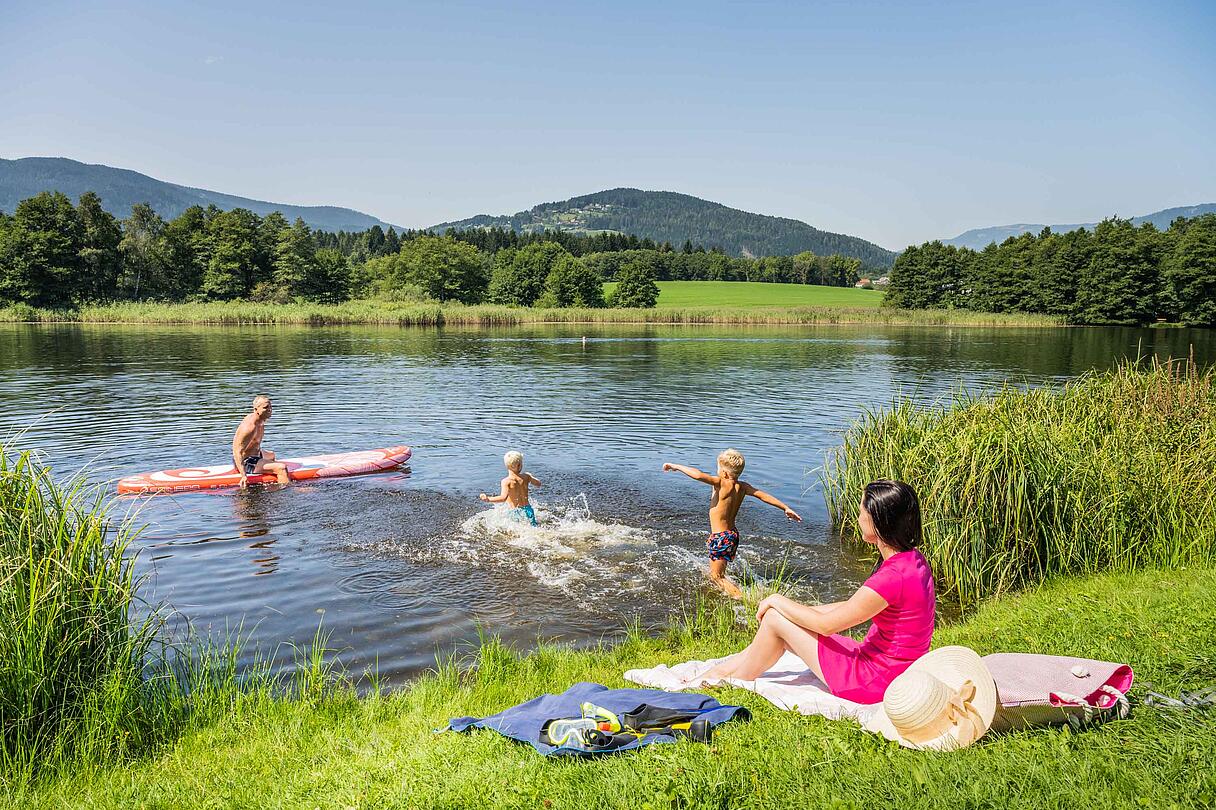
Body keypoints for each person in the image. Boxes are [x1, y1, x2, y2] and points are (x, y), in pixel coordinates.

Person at [700, 480, 935, 703]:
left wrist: (775, 600)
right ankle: (724, 670)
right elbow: (855, 606)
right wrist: (795, 613)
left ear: (878, 521)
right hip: (894, 670)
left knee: (773, 618)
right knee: (782, 618)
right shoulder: (913, 561)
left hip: (873, 680)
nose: (858, 517)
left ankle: (736, 679)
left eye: (862, 512)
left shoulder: (892, 577)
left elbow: (827, 626)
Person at [662, 449, 801, 599]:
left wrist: (676, 466)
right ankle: (736, 593)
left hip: (721, 537)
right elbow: (763, 495)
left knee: (716, 578)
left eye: (718, 469)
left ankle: (746, 600)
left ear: (725, 473)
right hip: (732, 535)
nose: (716, 472)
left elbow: (698, 474)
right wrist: (785, 507)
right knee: (716, 573)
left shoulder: (721, 483)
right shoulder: (742, 487)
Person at [232, 394, 289, 488]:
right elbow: (237, 451)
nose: (270, 409)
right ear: (256, 410)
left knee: (272, 455)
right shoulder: (249, 427)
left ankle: (273, 479)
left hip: (256, 454)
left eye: (270, 406)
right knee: (282, 468)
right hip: (247, 461)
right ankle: (288, 492)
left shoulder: (260, 420)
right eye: (266, 407)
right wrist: (243, 476)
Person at [479, 450, 542, 526]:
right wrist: (531, 477)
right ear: (520, 465)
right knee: (533, 527)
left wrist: (488, 499)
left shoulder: (506, 481)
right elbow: (538, 484)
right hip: (528, 510)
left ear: (507, 465)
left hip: (515, 512)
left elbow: (503, 498)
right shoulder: (526, 477)